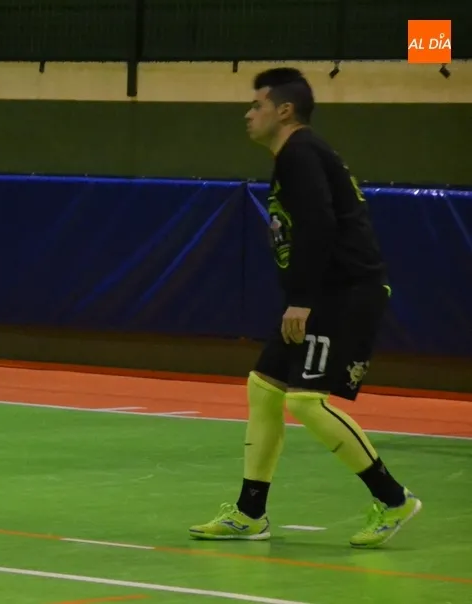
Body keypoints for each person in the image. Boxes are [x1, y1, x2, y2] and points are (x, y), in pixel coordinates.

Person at [188, 67, 421, 549]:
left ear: (284, 110)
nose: (248, 114)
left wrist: (301, 300)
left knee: (304, 401)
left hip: (344, 293)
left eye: (257, 105)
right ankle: (251, 513)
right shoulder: (298, 156)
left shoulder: (301, 154)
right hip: (325, 291)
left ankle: (394, 499)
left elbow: (318, 226)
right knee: (264, 388)